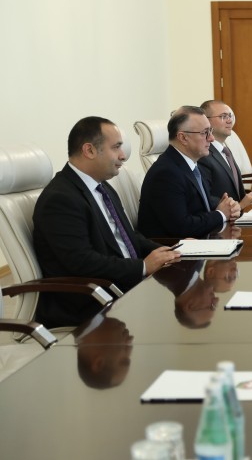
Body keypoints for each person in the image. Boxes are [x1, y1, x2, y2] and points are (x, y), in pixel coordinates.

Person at [32, 116, 181, 327]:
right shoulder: (60, 199)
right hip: (92, 302)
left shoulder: (102, 187)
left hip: (123, 286)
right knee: (181, 314)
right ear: (89, 150)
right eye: (116, 147)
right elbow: (82, 262)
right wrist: (142, 267)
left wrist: (169, 252)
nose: (123, 155)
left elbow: (128, 237)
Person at [138, 106, 241, 239]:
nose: (211, 138)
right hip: (173, 248)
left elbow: (200, 202)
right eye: (205, 133)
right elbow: (182, 227)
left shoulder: (191, 164)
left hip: (199, 241)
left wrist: (228, 205)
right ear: (183, 138)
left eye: (210, 131)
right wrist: (221, 214)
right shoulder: (166, 173)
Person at [198, 99, 252, 210]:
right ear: (206, 121)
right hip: (221, 218)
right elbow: (205, 199)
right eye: (223, 116)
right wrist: (240, 206)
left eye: (230, 116)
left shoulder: (225, 150)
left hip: (237, 215)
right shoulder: (202, 155)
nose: (229, 121)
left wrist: (249, 198)